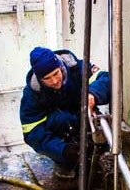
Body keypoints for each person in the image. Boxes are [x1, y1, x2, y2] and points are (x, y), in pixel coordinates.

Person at [20, 46, 110, 179]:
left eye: (56, 73)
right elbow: (32, 132)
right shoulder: (32, 95)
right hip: (62, 132)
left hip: (83, 120)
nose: (55, 81)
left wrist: (93, 93)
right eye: (47, 78)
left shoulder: (78, 69)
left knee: (89, 116)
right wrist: (62, 150)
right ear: (39, 79)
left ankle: (96, 152)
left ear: (61, 66)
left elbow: (106, 78)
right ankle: (66, 161)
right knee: (60, 119)